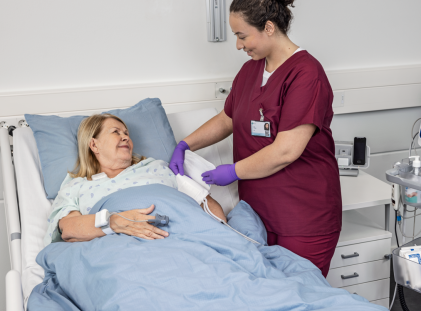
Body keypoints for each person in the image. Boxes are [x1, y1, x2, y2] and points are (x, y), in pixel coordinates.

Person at [169, 0, 341, 277]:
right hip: (256, 214)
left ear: (269, 28)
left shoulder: (307, 74)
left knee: (301, 293)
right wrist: (185, 144)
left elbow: (286, 151)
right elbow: (228, 118)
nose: (239, 45)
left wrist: (234, 171)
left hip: (302, 213)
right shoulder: (251, 70)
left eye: (242, 36)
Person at [44, 114, 225, 246]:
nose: (126, 137)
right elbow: (69, 229)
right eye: (116, 132)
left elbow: (205, 204)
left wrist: (220, 238)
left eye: (127, 133)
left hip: (185, 240)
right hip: (121, 252)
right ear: (94, 144)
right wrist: (113, 222)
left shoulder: (157, 168)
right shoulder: (76, 186)